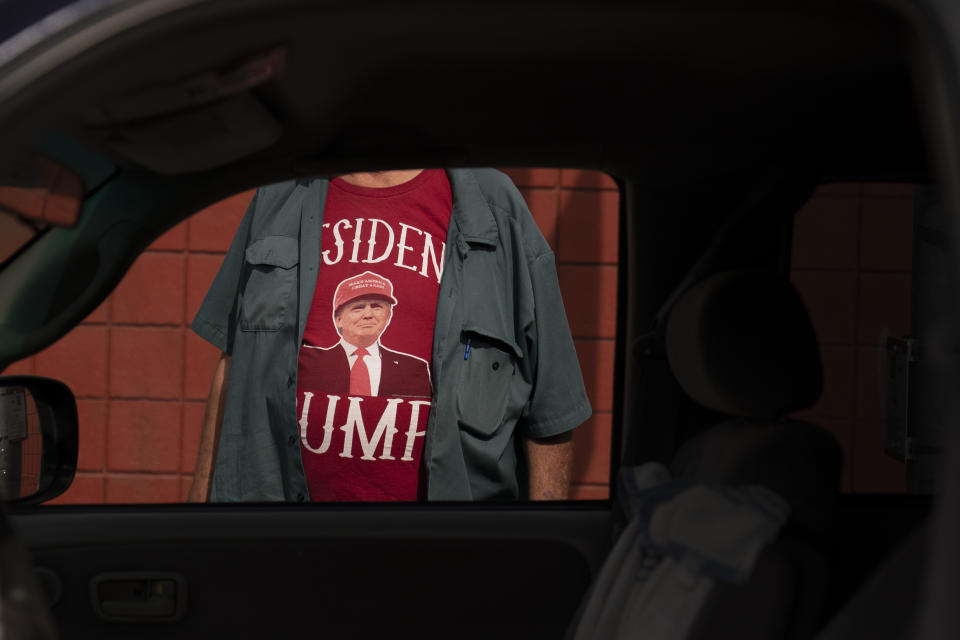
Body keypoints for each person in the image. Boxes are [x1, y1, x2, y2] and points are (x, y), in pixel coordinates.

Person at [188, 168, 591, 503]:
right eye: (356, 306)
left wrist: (538, 553)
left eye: (376, 306)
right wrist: (197, 519)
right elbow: (232, 366)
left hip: (452, 555)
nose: (367, 313)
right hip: (283, 543)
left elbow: (550, 413)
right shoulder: (280, 195)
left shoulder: (496, 208)